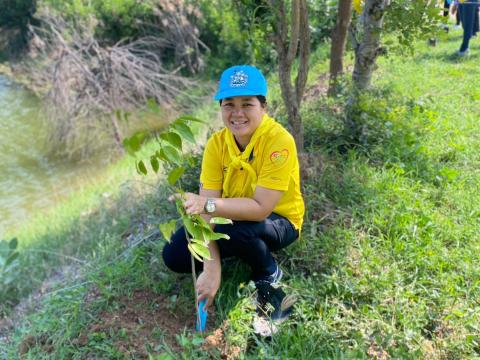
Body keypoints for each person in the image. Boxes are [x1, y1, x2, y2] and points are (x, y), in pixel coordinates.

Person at [162, 65, 304, 322]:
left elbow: (260, 208)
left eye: (247, 104)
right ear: (220, 108)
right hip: (229, 214)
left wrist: (207, 205)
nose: (237, 113)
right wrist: (211, 265)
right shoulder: (217, 144)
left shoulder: (278, 141)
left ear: (263, 107)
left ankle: (268, 272)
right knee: (174, 255)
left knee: (239, 229)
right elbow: (206, 209)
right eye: (229, 104)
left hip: (277, 220)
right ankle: (232, 253)